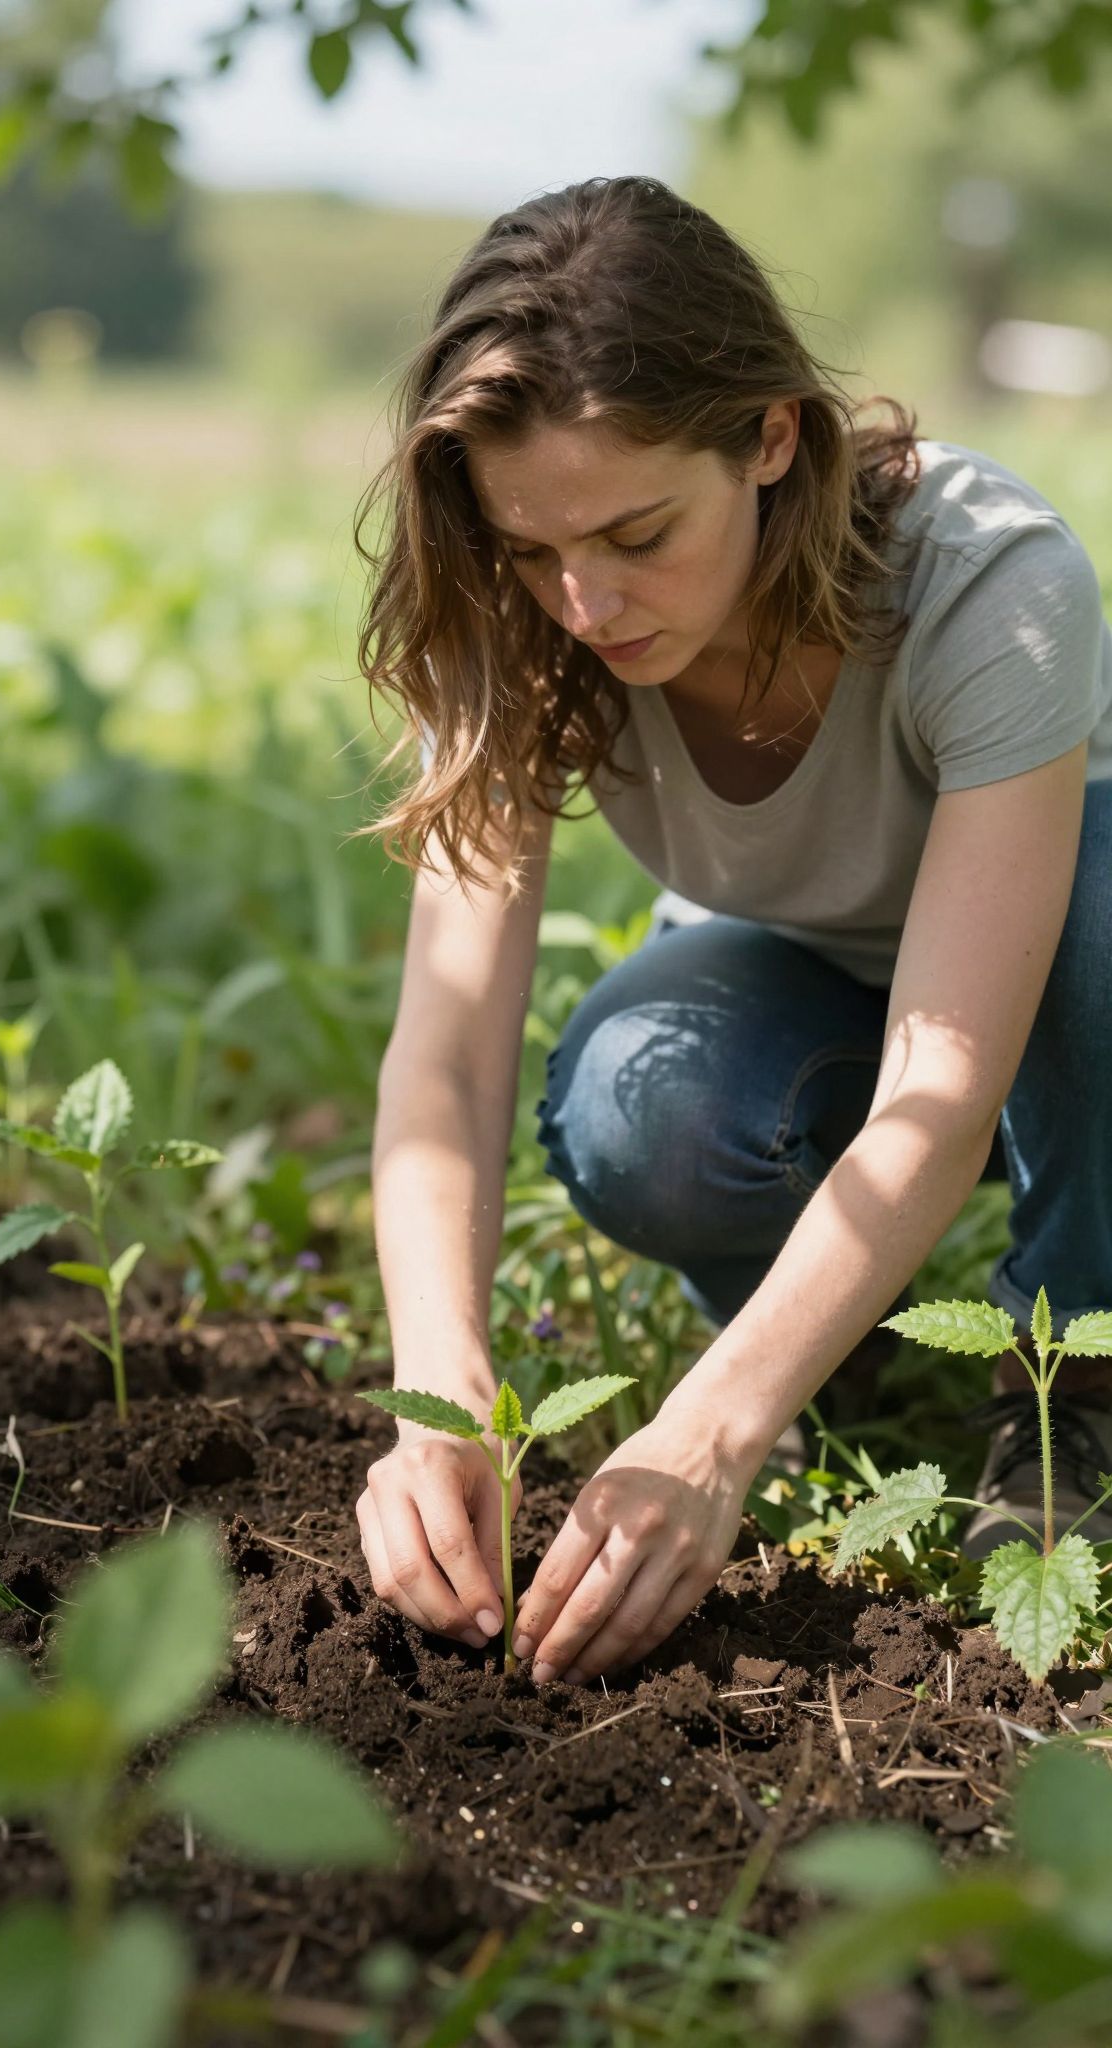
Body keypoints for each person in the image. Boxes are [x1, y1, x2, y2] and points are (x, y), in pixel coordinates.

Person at [350, 175, 1112, 1688]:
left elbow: (941, 1092)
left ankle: (1079, 1379)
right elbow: (443, 1063)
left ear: (770, 436)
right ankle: (839, 1342)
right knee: (648, 1106)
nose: (588, 601)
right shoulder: (522, 616)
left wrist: (709, 1434)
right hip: (807, 965)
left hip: (1067, 927)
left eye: (640, 531)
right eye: (531, 547)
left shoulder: (989, 586)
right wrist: (438, 1399)